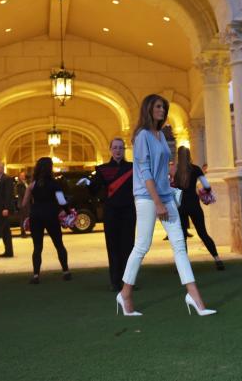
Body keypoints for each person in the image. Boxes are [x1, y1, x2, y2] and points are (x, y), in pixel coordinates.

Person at [116, 94, 215, 317]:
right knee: (142, 246)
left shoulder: (160, 135)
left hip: (166, 196)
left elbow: (161, 169)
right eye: (159, 106)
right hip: (147, 197)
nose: (162, 110)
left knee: (180, 245)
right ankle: (125, 293)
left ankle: (195, 297)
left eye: (164, 107)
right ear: (149, 109)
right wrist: (158, 202)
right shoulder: (142, 136)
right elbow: (144, 172)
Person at [82, 138, 135, 292]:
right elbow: (94, 190)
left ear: (124, 150)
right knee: (113, 247)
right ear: (110, 150)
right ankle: (114, 281)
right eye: (115, 148)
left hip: (128, 211)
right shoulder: (102, 169)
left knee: (128, 246)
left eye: (121, 148)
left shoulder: (133, 168)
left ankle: (128, 282)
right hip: (111, 212)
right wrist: (88, 183)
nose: (118, 150)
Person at [20, 157, 71, 284]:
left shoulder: (32, 185)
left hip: (36, 216)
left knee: (37, 247)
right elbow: (61, 201)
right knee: (59, 244)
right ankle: (65, 271)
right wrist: (68, 211)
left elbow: (24, 203)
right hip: (51, 216)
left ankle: (36, 275)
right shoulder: (55, 184)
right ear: (50, 168)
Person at [173, 146, 224, 270]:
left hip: (180, 206)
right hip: (194, 205)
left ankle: (183, 264)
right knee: (203, 233)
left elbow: (173, 187)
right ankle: (217, 259)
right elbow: (206, 186)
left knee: (182, 235)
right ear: (189, 155)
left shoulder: (176, 170)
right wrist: (203, 192)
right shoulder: (195, 169)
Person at [16, 171, 29, 238]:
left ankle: (26, 231)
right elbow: (23, 193)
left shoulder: (26, 183)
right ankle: (22, 233)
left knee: (27, 218)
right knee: (23, 219)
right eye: (21, 175)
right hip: (22, 204)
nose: (23, 176)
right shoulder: (19, 184)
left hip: (27, 204)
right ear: (19, 177)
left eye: (24, 175)